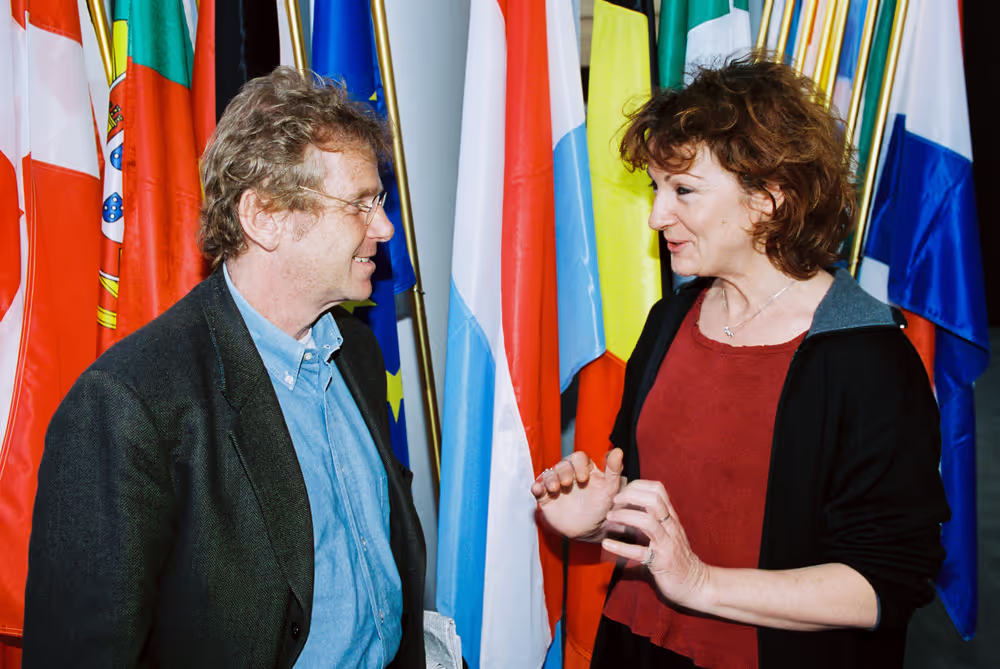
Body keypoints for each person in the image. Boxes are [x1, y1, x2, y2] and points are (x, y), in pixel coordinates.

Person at [532, 57, 949, 669]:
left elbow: (887, 581)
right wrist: (598, 522)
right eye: (656, 188)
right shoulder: (669, 321)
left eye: (684, 191)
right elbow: (660, 517)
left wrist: (700, 583)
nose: (655, 216)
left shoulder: (869, 358)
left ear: (768, 200)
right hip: (638, 645)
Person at [23, 67, 425, 668]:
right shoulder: (129, 405)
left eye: (380, 201)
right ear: (264, 216)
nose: (385, 228)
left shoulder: (356, 353)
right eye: (360, 205)